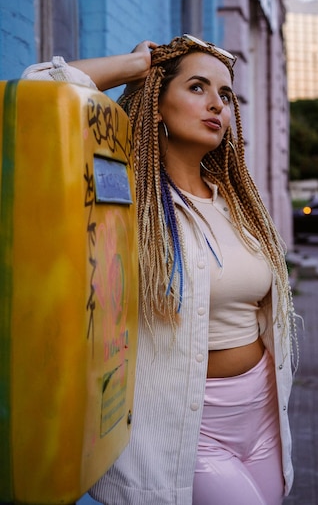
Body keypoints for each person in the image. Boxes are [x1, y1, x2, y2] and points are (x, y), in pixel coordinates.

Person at [22, 35, 298, 505]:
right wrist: (135, 64)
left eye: (226, 94)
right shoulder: (125, 201)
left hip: (263, 416)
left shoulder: (237, 201)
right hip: (189, 428)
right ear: (156, 102)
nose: (217, 104)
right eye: (197, 87)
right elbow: (39, 88)